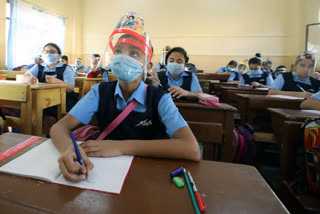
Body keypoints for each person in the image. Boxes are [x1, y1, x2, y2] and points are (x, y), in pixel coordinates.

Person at [50, 12, 200, 182]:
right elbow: (59, 127)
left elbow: (192, 149)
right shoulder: (100, 91)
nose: (123, 57)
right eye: (119, 51)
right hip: (103, 173)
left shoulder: (159, 98)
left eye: (134, 53)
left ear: (148, 66)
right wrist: (68, 149)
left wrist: (122, 146)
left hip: (146, 176)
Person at [22, 43, 78, 135]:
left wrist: (57, 81)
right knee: (27, 109)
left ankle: (50, 137)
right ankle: (31, 136)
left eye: (52, 52)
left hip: (64, 99)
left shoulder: (65, 68)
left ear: (59, 55)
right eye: (46, 52)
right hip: (42, 98)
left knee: (49, 115)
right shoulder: (39, 67)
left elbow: (70, 88)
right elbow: (25, 76)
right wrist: (28, 78)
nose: (48, 54)